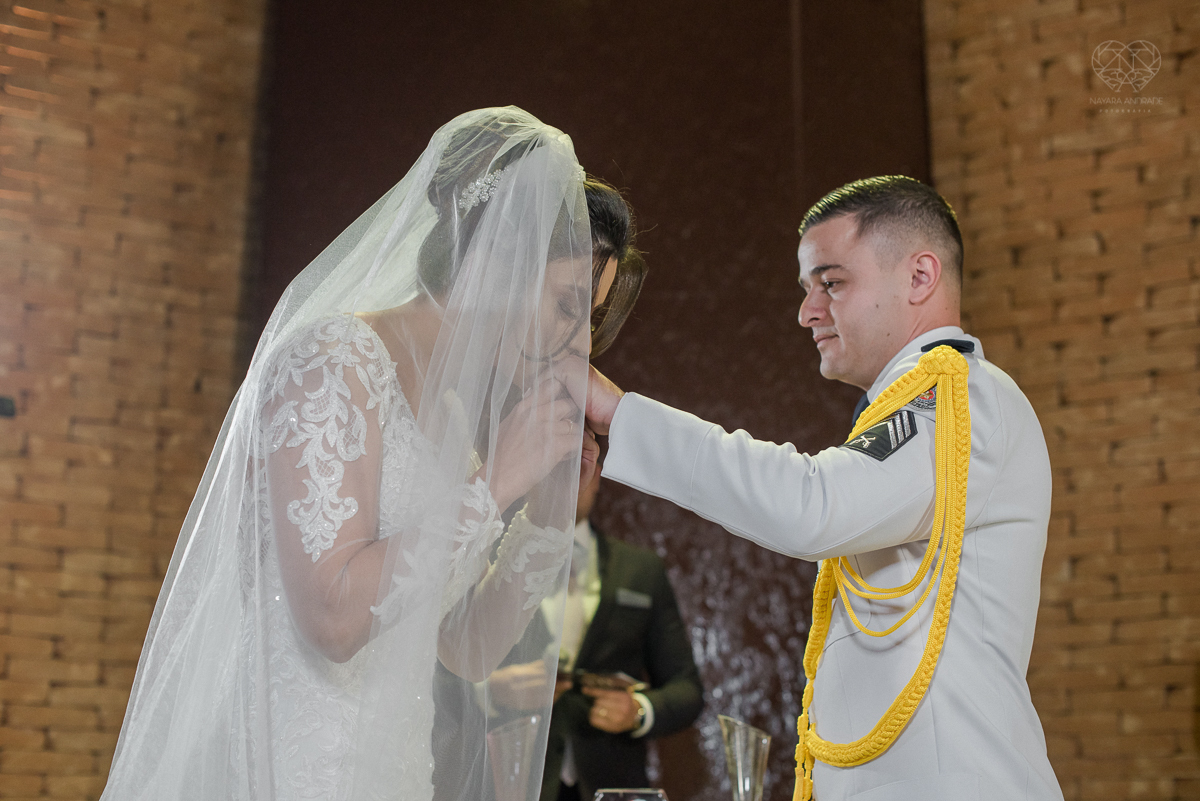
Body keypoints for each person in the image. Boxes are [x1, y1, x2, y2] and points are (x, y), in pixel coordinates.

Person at [100, 107, 646, 801]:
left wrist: (542, 512)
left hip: (393, 772)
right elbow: (332, 618)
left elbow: (467, 646)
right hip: (290, 769)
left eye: (589, 318)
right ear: (502, 259)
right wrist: (497, 481)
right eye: (570, 305)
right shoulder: (335, 361)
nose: (579, 346)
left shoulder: (450, 414)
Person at [585, 177, 1063, 800]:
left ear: (921, 277)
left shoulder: (959, 391)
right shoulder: (914, 403)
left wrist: (617, 411)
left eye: (832, 283)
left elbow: (815, 506)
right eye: (807, 289)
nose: (808, 311)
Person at [488, 467, 704, 801]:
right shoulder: (488, 563)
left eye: (579, 467)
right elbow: (436, 674)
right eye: (554, 470)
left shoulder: (640, 571)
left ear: (598, 475)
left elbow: (687, 688)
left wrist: (638, 711)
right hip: (512, 781)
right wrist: (489, 691)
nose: (568, 482)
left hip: (612, 781)